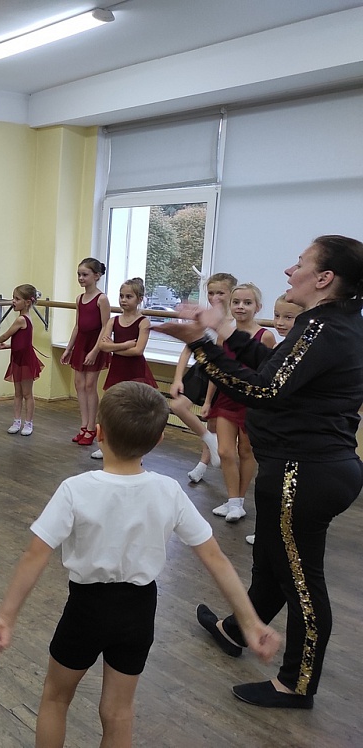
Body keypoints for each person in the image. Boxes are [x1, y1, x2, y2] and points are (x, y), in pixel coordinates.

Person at [0, 382, 281, 746]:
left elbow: (35, 555)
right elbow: (216, 559)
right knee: (119, 711)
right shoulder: (169, 490)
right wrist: (250, 622)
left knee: (56, 698)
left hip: (86, 610)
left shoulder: (76, 489)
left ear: (100, 433)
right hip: (139, 612)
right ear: (158, 440)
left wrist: (6, 617)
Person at [159, 235, 363, 709]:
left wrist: (202, 346)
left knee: (302, 583)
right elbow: (275, 369)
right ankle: (236, 629)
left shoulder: (323, 328)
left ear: (324, 278)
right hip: (303, 468)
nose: (290, 270)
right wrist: (223, 332)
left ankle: (297, 685)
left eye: (300, 263)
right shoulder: (329, 324)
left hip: (305, 473)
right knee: (272, 562)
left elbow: (264, 391)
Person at [203, 283, 275, 522]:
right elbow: (217, 370)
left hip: (250, 401)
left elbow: (267, 373)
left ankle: (239, 501)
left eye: (247, 303)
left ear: (258, 307)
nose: (241, 307)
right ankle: (232, 500)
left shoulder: (265, 336)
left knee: (245, 450)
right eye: (236, 302)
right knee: (225, 450)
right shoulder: (224, 334)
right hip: (226, 399)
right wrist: (208, 401)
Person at [245, 295, 304, 545]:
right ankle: (266, 532)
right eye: (277, 316)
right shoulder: (282, 347)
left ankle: (277, 535)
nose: (280, 322)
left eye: (288, 317)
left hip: (289, 438)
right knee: (268, 490)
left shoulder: (300, 350)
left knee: (283, 493)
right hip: (272, 437)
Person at [169, 273, 236, 484]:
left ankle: (202, 464)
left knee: (212, 423)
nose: (215, 297)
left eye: (220, 293)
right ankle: (209, 440)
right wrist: (177, 379)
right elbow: (187, 349)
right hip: (201, 369)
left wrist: (208, 400)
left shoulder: (233, 322)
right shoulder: (203, 318)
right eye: (211, 293)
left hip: (220, 374)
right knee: (177, 405)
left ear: (231, 293)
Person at [90, 278, 158, 460]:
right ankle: (106, 445)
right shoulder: (113, 321)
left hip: (135, 370)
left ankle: (137, 449)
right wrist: (124, 345)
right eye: (121, 296)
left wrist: (114, 347)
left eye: (129, 296)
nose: (123, 300)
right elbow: (103, 346)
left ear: (139, 299)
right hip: (118, 369)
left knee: (135, 411)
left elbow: (138, 350)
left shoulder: (143, 322)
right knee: (110, 407)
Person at [59, 258, 110, 447]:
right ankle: (83, 425)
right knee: (79, 384)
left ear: (96, 276)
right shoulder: (79, 299)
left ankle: (91, 427)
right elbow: (77, 326)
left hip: (95, 344)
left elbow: (106, 327)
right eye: (79, 274)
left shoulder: (102, 299)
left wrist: (96, 350)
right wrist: (69, 348)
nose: (81, 278)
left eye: (85, 274)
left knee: (90, 385)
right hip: (81, 343)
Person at [0, 284, 43, 436]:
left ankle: (28, 423)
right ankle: (16, 421)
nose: (13, 301)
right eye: (13, 298)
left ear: (27, 302)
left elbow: (6, 335)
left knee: (27, 393)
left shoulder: (21, 319)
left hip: (26, 361)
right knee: (18, 393)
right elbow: (20, 342)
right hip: (17, 359)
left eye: (17, 299)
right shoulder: (23, 318)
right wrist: (7, 346)